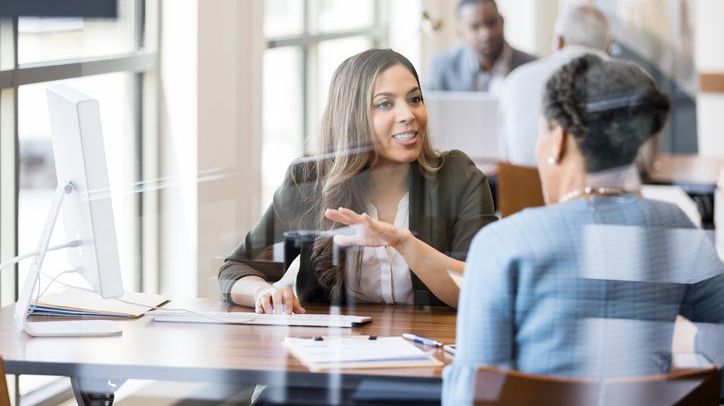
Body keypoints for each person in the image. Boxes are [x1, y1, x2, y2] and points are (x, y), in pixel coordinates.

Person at [443, 54, 724, 405]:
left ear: (558, 138)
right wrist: (695, 369)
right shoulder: (673, 228)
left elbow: (470, 394)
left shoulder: (503, 245)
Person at [218, 49, 497, 314]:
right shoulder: (309, 181)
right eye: (385, 104)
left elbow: (482, 287)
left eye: (414, 99)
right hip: (330, 354)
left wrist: (404, 243)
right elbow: (238, 269)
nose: (408, 115)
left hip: (434, 353)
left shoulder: (458, 177)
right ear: (352, 117)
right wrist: (263, 292)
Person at [499, 5, 610, 165]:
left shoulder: (513, 81)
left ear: (559, 41)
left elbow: (505, 155)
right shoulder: (633, 81)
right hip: (598, 188)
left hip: (521, 187)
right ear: (608, 48)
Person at [424, 0, 536, 95]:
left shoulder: (533, 67)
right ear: (461, 32)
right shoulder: (442, 68)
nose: (486, 34)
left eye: (492, 23)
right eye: (475, 27)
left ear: (502, 21)